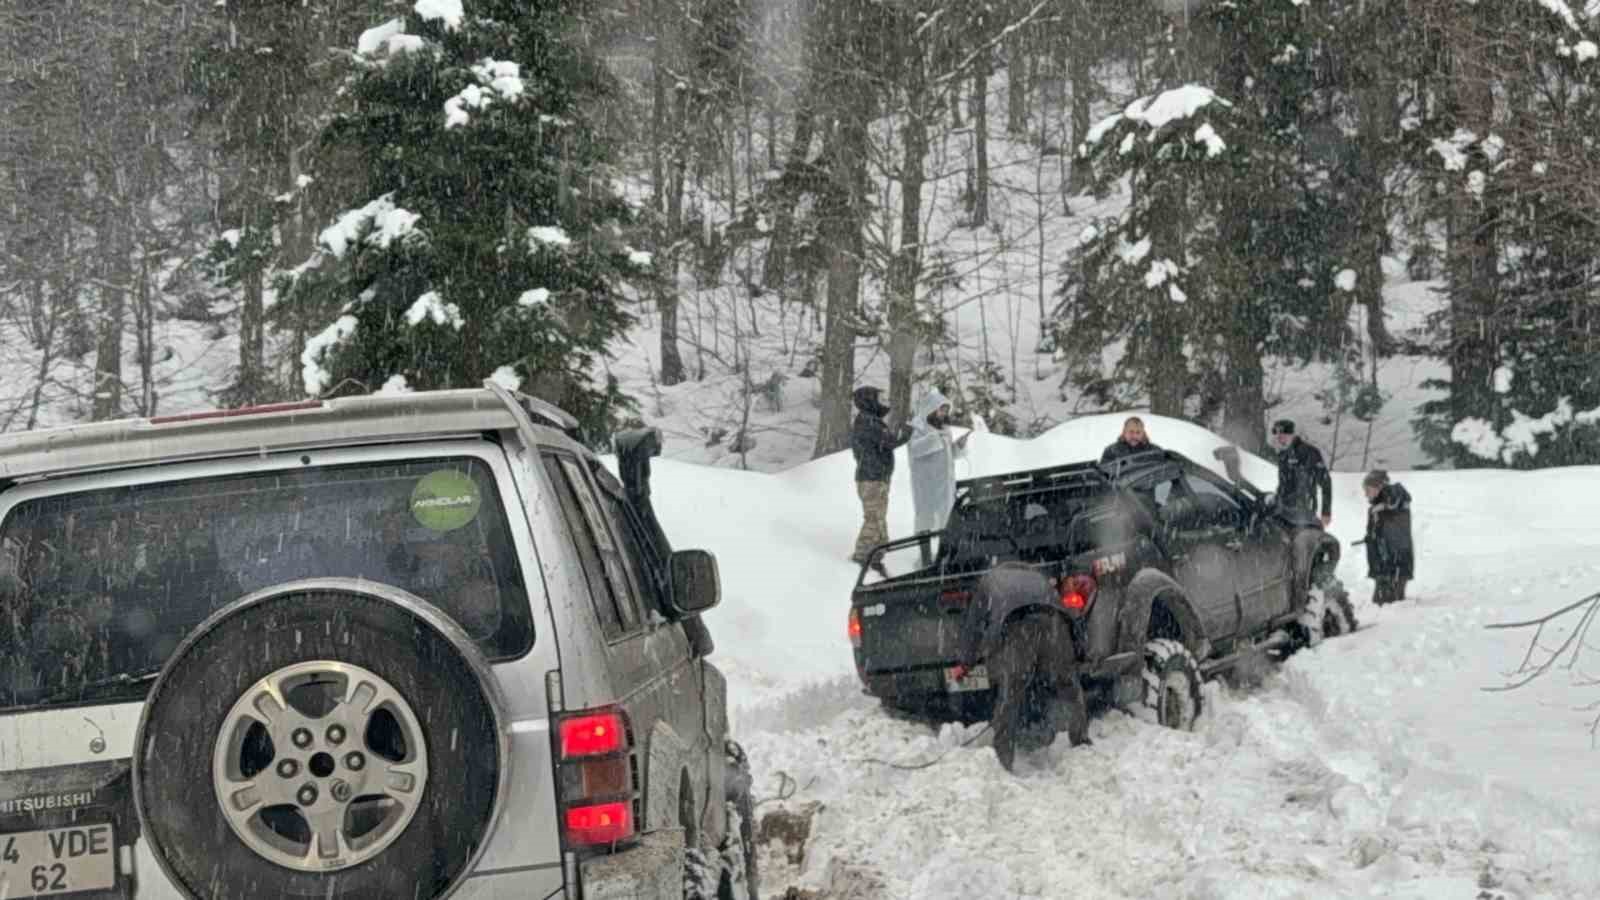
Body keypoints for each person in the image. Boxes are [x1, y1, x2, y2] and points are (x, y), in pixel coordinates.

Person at [954, 564, 1089, 772]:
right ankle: (1081, 742)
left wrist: (965, 663)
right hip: (1055, 624)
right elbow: (1069, 614)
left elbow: (974, 627)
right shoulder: (1038, 577)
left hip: (1019, 627)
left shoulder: (987, 581)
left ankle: (1003, 761)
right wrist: (1078, 653)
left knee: (1011, 693)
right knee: (1069, 685)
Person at [850, 386, 911, 572]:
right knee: (874, 518)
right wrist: (909, 432)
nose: (881, 401)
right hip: (872, 478)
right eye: (877, 398)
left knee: (879, 518)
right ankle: (860, 558)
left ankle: (876, 555)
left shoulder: (871, 420)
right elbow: (890, 441)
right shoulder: (868, 422)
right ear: (868, 401)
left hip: (876, 477)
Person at [908, 388, 969, 542]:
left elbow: (948, 455)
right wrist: (936, 438)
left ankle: (944, 555)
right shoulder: (919, 428)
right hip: (926, 485)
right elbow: (914, 450)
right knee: (926, 521)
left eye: (945, 411)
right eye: (941, 410)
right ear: (931, 409)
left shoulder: (944, 429)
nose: (943, 414)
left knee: (946, 521)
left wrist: (959, 446)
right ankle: (925, 556)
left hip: (945, 484)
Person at [1362, 470, 1414, 605]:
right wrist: (1370, 538)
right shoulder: (1374, 509)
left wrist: (1383, 505)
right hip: (1382, 567)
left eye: (1368, 489)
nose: (1365, 494)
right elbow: (1374, 533)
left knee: (1392, 605)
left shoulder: (1395, 495)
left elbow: (1396, 497)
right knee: (1380, 602)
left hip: (1396, 564)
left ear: (1379, 487)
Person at [1270, 419, 1332, 528]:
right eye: (1276, 433)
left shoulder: (1310, 452)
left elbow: (1326, 482)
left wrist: (1326, 511)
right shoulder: (1283, 455)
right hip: (1284, 510)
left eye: (1283, 433)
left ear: (1292, 434)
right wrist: (1277, 499)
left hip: (1304, 511)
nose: (1279, 436)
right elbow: (1283, 483)